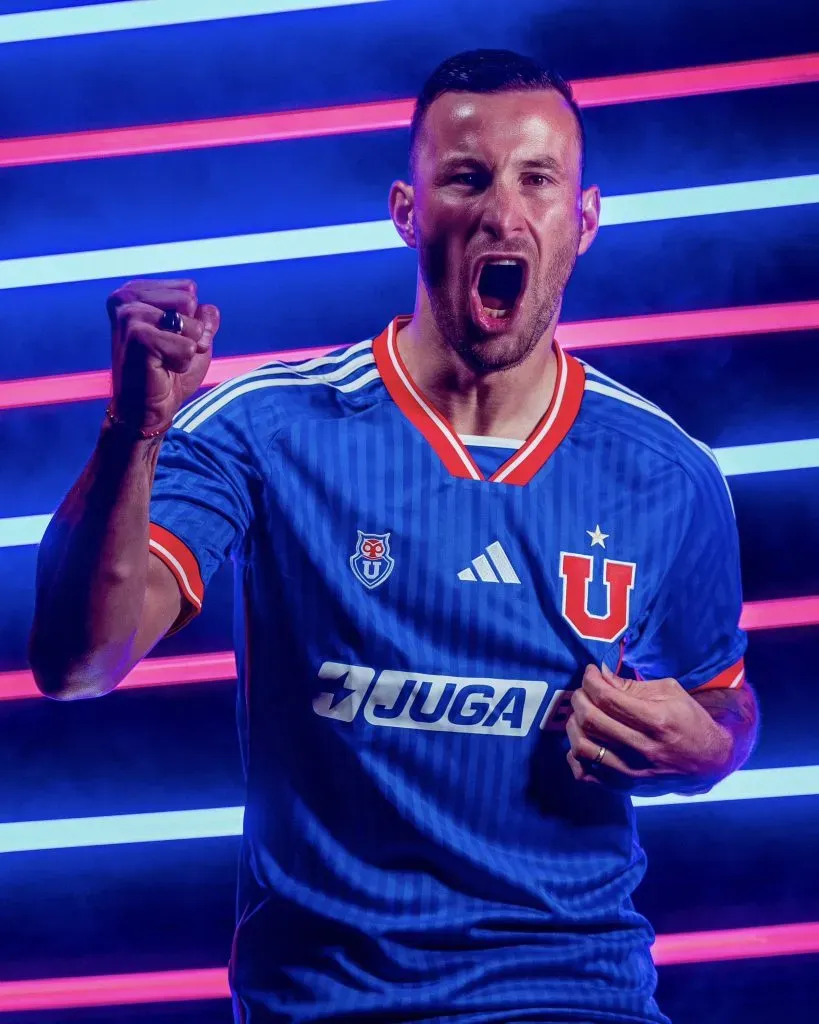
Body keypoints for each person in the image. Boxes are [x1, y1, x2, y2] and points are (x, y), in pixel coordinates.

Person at [30, 49, 758, 1024]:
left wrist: (706, 747)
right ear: (408, 212)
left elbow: (726, 704)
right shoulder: (267, 427)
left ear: (582, 221)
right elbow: (81, 659)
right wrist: (133, 433)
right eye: (467, 176)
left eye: (537, 178)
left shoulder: (669, 471)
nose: (503, 211)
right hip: (331, 1002)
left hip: (576, 992)